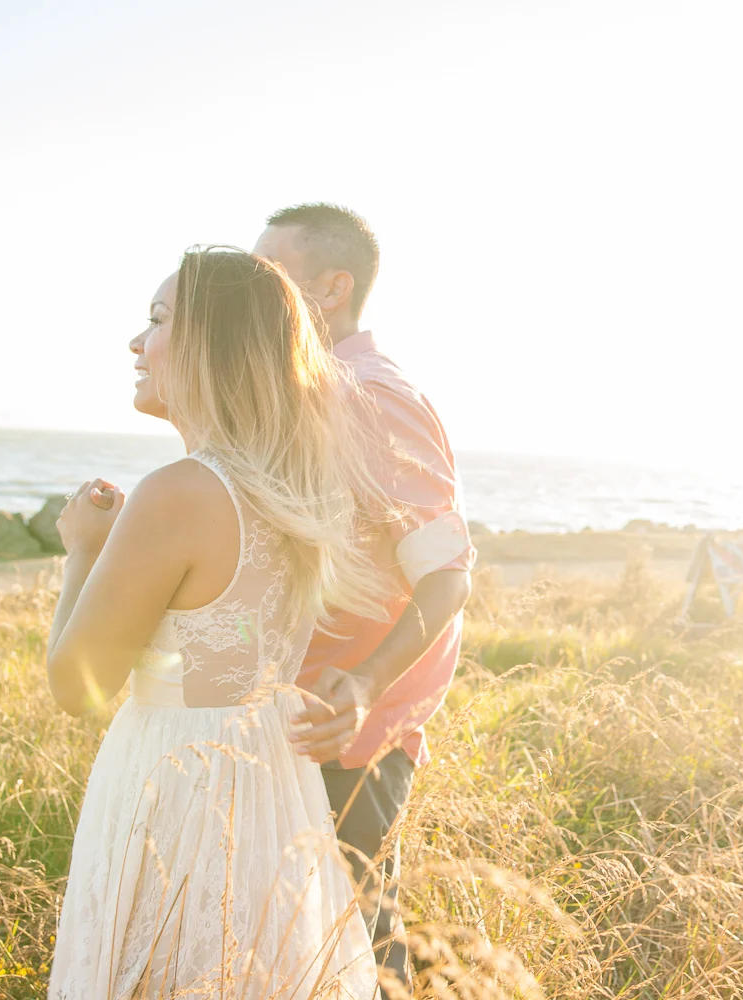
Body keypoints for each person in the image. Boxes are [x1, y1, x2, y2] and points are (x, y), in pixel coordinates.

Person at [45, 247, 385, 999]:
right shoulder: (296, 484)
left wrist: (84, 551)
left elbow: (78, 685)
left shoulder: (177, 494)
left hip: (177, 781)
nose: (137, 343)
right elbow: (228, 638)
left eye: (159, 320)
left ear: (213, 345)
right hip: (265, 776)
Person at [253, 204, 476, 996]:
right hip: (297, 717)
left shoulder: (373, 399)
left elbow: (446, 574)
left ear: (331, 288)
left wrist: (365, 687)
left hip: (349, 731)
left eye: (268, 274)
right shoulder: (308, 393)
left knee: (358, 944)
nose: (251, 293)